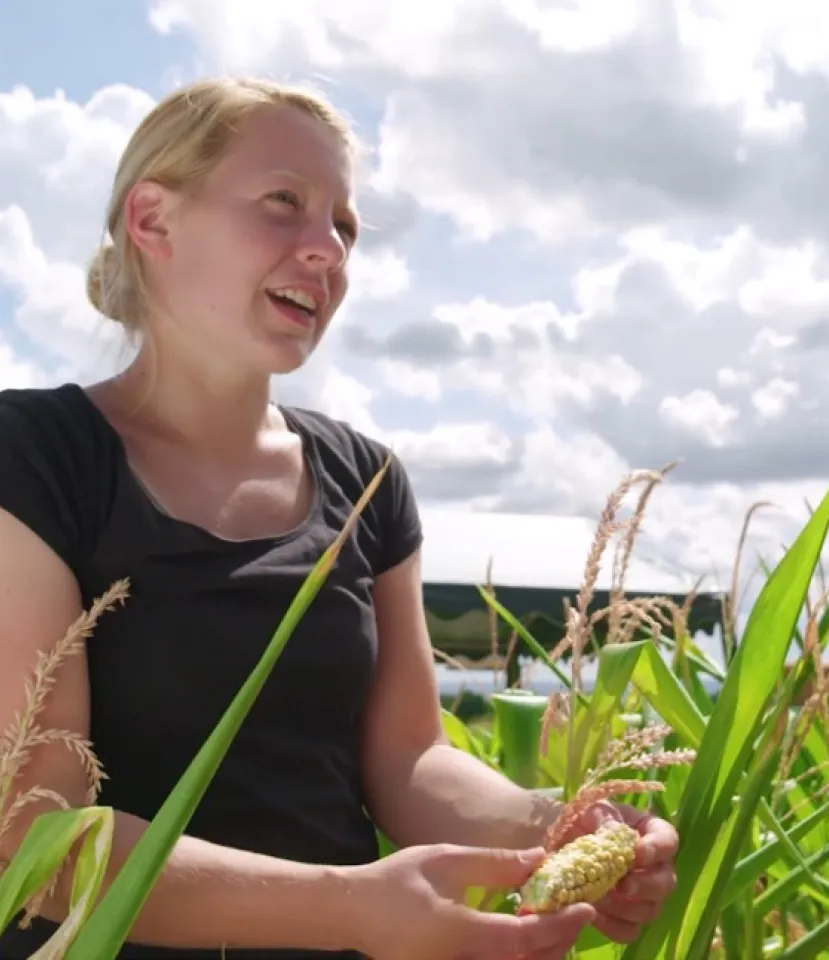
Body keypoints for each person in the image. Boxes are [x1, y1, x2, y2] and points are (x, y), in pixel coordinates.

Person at [0, 77, 679, 959]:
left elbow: (409, 762)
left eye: (344, 226)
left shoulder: (367, 478)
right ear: (154, 220)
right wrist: (353, 908)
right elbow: (36, 830)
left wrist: (559, 827)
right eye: (284, 203)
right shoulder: (34, 457)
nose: (327, 249)